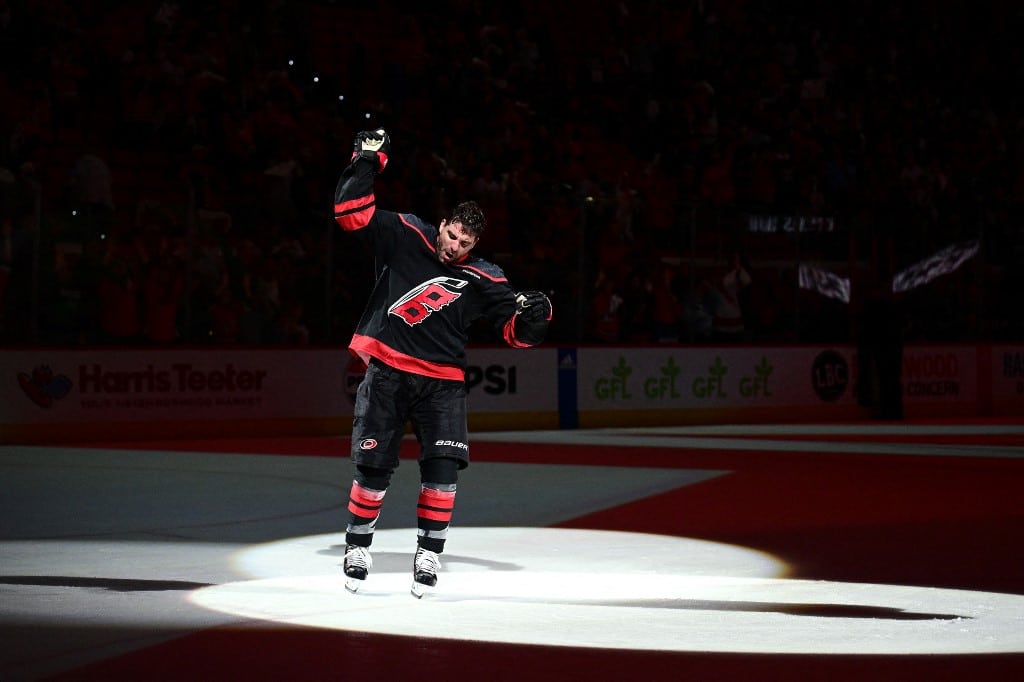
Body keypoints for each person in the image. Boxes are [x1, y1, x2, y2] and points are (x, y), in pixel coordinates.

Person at [332, 129, 551, 597]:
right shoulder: (406, 232)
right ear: (444, 222)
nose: (454, 247)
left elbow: (517, 335)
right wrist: (368, 160)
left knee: (443, 473)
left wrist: (536, 314)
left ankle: (428, 554)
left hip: (443, 386)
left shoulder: (483, 276)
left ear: (475, 246)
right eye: (452, 234)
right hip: (388, 372)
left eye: (464, 243)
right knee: (373, 469)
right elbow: (349, 216)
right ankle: (357, 545)